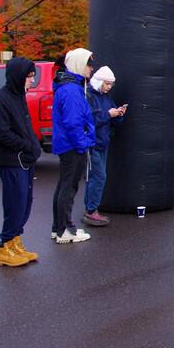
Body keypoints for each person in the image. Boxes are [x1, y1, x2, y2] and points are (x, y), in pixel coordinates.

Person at [0, 57, 42, 267]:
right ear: (18, 76)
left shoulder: (19, 96)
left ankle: (15, 240)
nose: (31, 81)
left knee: (26, 202)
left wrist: (34, 144)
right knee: (15, 202)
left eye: (32, 76)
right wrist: (27, 145)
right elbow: (2, 134)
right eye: (28, 77)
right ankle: (4, 247)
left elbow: (25, 127)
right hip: (12, 161)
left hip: (26, 160)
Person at [52, 48, 95, 244]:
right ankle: (65, 230)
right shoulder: (71, 90)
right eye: (88, 63)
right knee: (68, 188)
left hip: (67, 144)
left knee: (64, 185)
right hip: (72, 146)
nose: (91, 68)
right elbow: (73, 122)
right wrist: (83, 143)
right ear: (78, 64)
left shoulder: (69, 87)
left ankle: (58, 228)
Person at [83, 66, 126, 227]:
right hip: (93, 143)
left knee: (94, 177)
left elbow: (109, 119)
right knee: (99, 176)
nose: (109, 87)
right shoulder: (90, 97)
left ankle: (90, 208)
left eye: (111, 85)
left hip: (102, 141)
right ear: (99, 81)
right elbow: (90, 121)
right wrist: (109, 115)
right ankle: (92, 210)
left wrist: (118, 114)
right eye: (107, 84)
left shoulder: (105, 97)